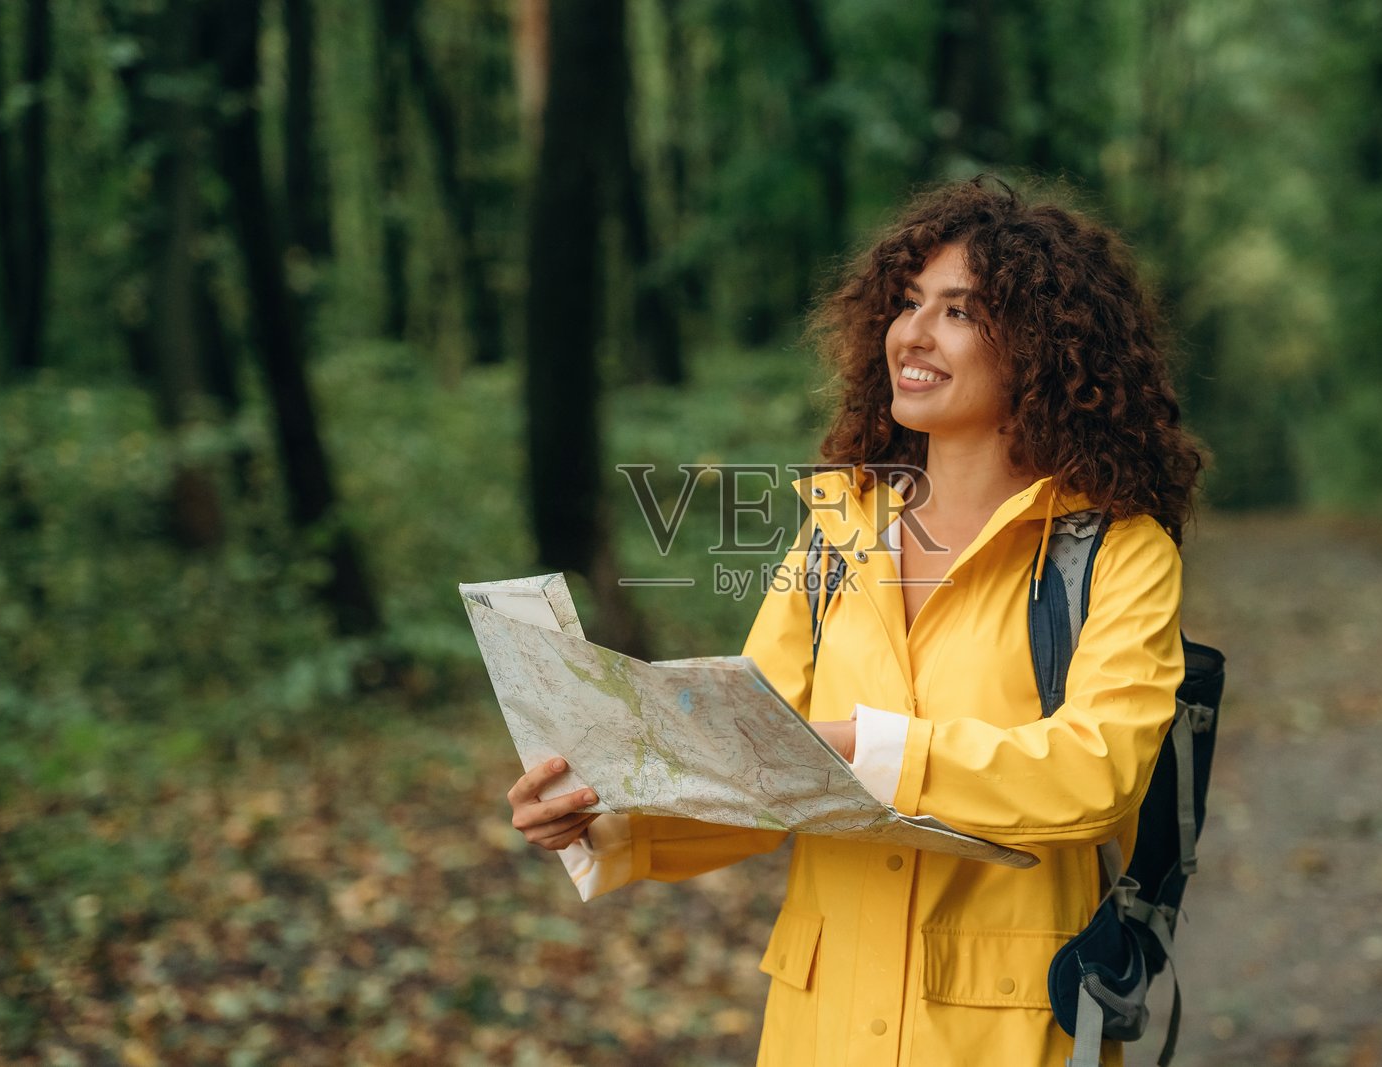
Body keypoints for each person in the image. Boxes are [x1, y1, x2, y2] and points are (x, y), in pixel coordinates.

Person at [507, 177, 1205, 1066]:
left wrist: (865, 750)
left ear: (1044, 347)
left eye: (960, 311)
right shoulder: (838, 529)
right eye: (908, 301)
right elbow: (758, 772)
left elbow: (1096, 773)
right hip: (824, 1024)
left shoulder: (1116, 551)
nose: (912, 332)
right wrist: (601, 816)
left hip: (1004, 1031)